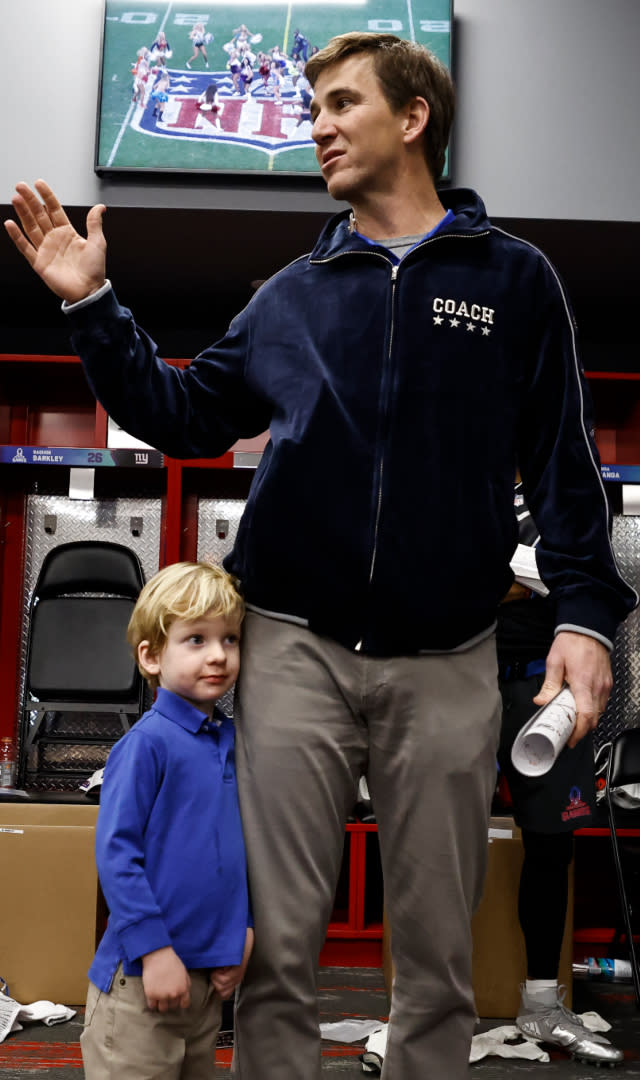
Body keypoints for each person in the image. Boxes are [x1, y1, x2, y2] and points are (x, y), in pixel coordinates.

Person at [4, 30, 636, 1080]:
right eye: (311, 112)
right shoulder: (293, 293)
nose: (316, 131)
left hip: (449, 652)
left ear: (413, 117)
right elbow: (185, 412)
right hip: (292, 644)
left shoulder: (516, 282)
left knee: (433, 955)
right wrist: (90, 305)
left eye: (340, 105)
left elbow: (565, 464)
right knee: (279, 951)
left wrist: (580, 612)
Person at [79, 561, 253, 1080]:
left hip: (206, 983)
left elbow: (235, 851)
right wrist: (153, 950)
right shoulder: (145, 745)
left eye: (230, 640)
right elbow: (116, 855)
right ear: (151, 657)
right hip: (140, 981)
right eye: (195, 640)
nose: (219, 655)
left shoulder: (233, 742)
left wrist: (241, 934)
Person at [497, 483, 623, 1065]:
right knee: (434, 843)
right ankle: (419, 1007)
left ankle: (542, 1004)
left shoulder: (567, 489)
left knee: (552, 846)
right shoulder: (455, 469)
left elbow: (593, 580)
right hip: (455, 679)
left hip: (545, 689)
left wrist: (520, 574)